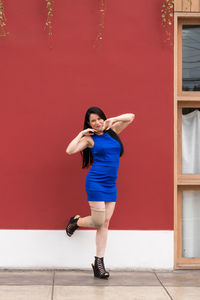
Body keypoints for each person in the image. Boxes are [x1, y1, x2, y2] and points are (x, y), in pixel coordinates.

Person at [65, 107, 135, 279]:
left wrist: (112, 119)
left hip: (111, 184)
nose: (97, 123)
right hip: (95, 182)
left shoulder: (112, 131)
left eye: (99, 119)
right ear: (89, 124)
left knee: (105, 224)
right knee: (98, 221)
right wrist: (81, 133)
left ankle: (99, 264)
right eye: (93, 121)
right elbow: (70, 150)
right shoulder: (89, 139)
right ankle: (76, 221)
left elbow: (131, 117)